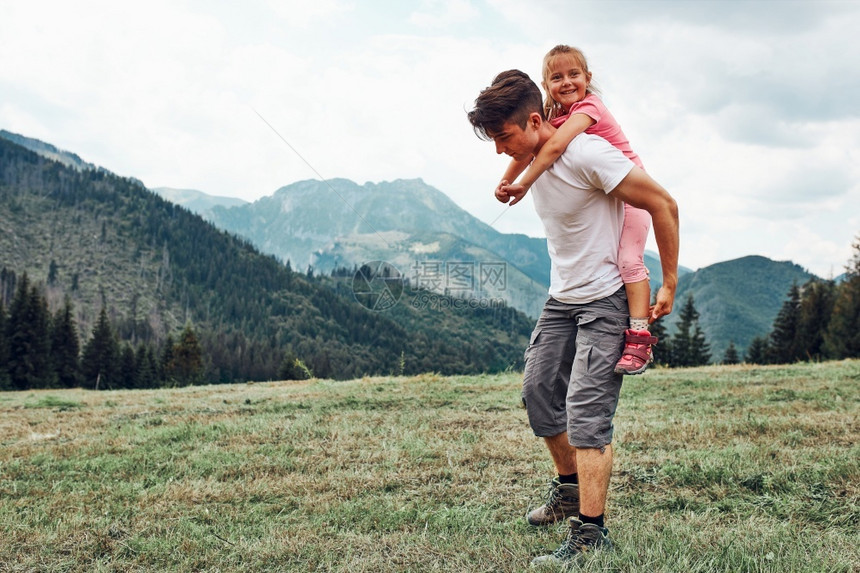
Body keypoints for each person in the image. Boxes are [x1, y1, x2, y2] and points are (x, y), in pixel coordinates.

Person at [467, 70, 679, 567]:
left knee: (586, 414)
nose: (500, 150)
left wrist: (668, 281)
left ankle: (591, 533)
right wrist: (508, 180)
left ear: (536, 121)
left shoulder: (588, 153)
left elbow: (664, 203)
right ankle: (568, 489)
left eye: (503, 137)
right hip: (561, 299)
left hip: (607, 299)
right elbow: (515, 168)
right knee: (538, 392)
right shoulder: (530, 161)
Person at [495, 46, 656, 376]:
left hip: (631, 191)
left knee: (628, 260)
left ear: (588, 78)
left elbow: (553, 147)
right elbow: (531, 147)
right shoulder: (555, 118)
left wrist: (523, 185)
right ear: (545, 84)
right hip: (604, 194)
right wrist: (504, 180)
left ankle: (639, 337)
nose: (566, 82)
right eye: (557, 77)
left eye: (574, 75)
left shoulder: (589, 108)